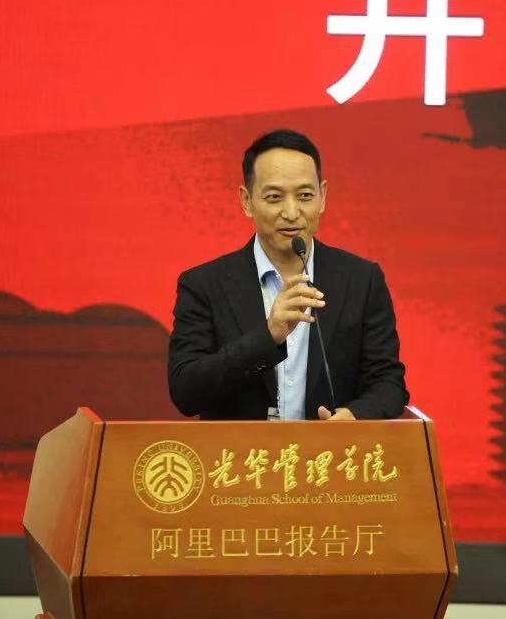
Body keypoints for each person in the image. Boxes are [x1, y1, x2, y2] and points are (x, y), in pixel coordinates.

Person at [168, 128, 408, 421]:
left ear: (323, 196)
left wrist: (353, 416)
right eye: (274, 197)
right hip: (240, 450)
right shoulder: (204, 285)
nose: (292, 212)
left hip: (328, 449)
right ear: (246, 201)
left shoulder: (361, 280)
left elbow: (388, 385)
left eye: (305, 195)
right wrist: (267, 337)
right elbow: (185, 391)